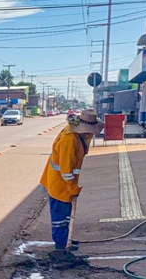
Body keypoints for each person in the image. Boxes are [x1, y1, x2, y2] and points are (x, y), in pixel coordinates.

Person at [40, 108, 104, 252]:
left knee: (67, 214)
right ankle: (61, 244)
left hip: (65, 182)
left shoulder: (78, 134)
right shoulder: (69, 140)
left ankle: (66, 237)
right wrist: (72, 187)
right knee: (60, 216)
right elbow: (66, 169)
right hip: (60, 183)